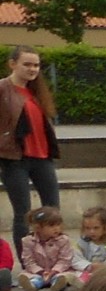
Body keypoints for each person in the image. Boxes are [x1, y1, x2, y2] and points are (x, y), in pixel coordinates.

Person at [0, 44, 62, 251]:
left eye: (36, 65)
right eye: (27, 64)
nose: (33, 69)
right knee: (23, 214)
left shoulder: (36, 92)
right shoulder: (3, 88)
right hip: (15, 159)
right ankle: (28, 262)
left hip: (42, 158)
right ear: (12, 64)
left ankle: (55, 258)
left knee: (53, 211)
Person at [21, 205, 91, 291]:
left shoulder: (63, 240)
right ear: (38, 228)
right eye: (51, 226)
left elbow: (65, 260)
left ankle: (58, 284)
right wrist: (40, 272)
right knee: (32, 277)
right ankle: (32, 285)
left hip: (59, 271)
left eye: (58, 225)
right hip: (38, 272)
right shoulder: (28, 241)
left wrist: (54, 271)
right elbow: (28, 261)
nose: (56, 228)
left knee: (63, 276)